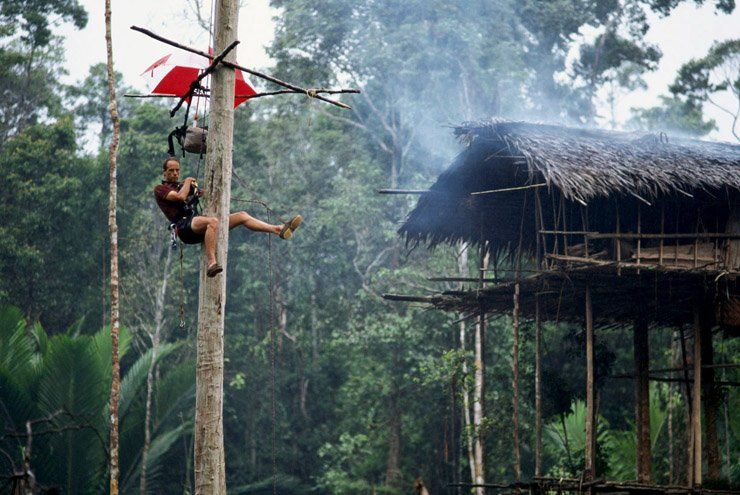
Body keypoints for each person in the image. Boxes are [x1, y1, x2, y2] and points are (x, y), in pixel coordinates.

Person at [154, 156, 302, 277]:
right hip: (184, 228)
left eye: (177, 170)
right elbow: (180, 197)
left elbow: (201, 193)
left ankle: (278, 229)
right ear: (164, 172)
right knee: (212, 221)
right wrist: (187, 181)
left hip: (198, 225)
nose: (175, 173)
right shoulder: (160, 189)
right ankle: (212, 263)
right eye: (171, 171)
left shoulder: (182, 186)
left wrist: (200, 190)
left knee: (242, 216)